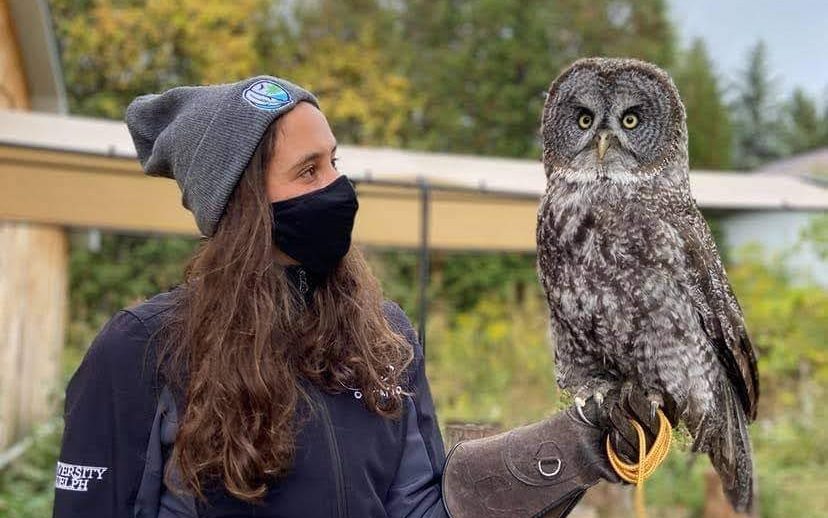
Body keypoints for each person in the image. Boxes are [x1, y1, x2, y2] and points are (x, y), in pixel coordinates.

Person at [52, 75, 659, 518]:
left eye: (335, 162)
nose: (339, 186)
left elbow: (420, 506)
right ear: (244, 207)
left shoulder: (383, 339)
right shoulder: (141, 350)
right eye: (309, 170)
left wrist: (571, 446)